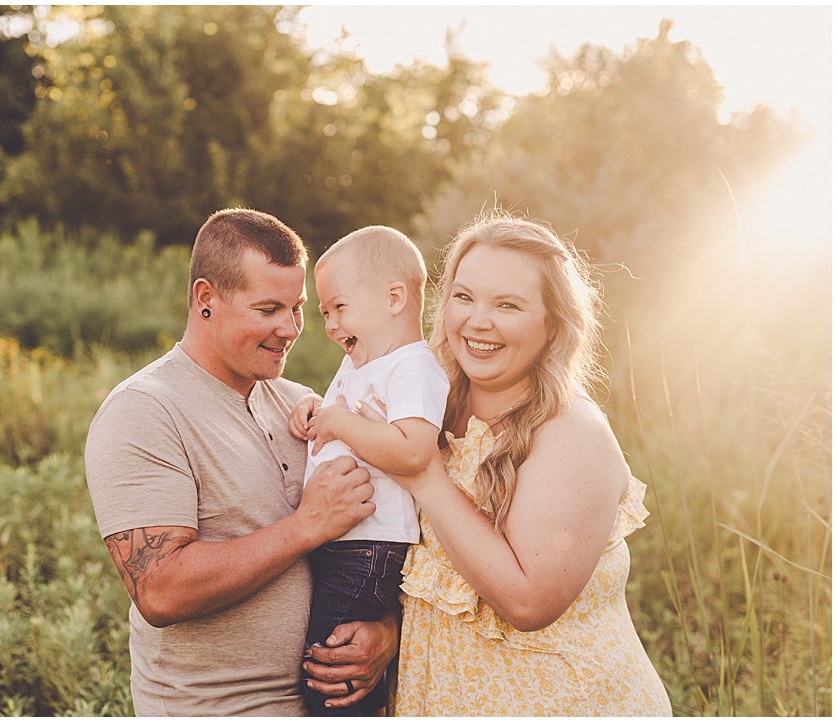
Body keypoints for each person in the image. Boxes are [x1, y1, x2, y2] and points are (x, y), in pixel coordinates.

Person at [84, 208, 399, 716]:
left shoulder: (303, 404)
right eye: (268, 308)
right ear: (206, 298)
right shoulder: (144, 410)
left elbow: (381, 532)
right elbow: (160, 590)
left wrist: (386, 633)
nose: (291, 329)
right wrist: (307, 526)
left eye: (297, 308)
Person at [377, 212, 672, 715]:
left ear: (553, 324)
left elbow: (528, 602)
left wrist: (426, 478)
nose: (477, 322)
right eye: (464, 297)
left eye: (507, 305)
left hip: (563, 703)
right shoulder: (425, 407)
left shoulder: (571, 432)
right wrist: (383, 630)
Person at [287, 226, 449, 716]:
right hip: (341, 541)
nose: (331, 324)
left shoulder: (412, 366)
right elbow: (342, 419)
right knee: (330, 659)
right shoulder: (360, 362)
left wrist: (340, 421)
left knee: (331, 667)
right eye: (324, 313)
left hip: (369, 548)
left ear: (394, 297)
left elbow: (413, 450)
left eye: (339, 307)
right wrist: (314, 411)